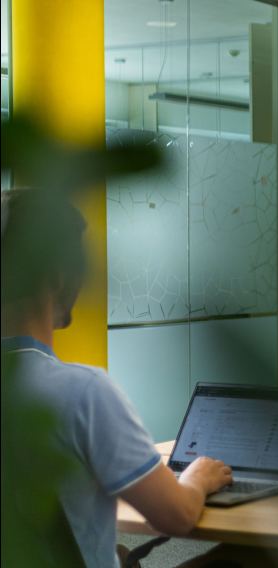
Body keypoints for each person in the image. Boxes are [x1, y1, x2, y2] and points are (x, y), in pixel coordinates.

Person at [1, 189, 233, 568]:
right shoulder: (83, 392)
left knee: (122, 554)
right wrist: (198, 478)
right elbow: (176, 516)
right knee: (265, 553)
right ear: (58, 279)